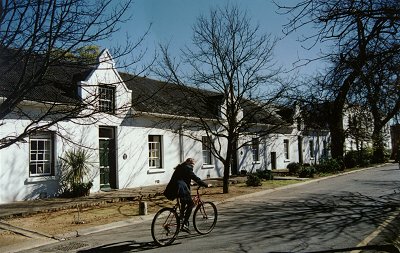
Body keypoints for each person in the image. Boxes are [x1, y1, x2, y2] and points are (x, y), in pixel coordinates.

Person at [168, 158, 209, 233]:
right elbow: (195, 178)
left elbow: (182, 177)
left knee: (183, 204)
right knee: (191, 204)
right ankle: (184, 224)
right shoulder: (188, 168)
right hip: (181, 189)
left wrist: (189, 183)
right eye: (192, 164)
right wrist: (205, 184)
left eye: (193, 164)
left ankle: (181, 219)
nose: (193, 165)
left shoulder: (180, 167)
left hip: (174, 188)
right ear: (189, 163)